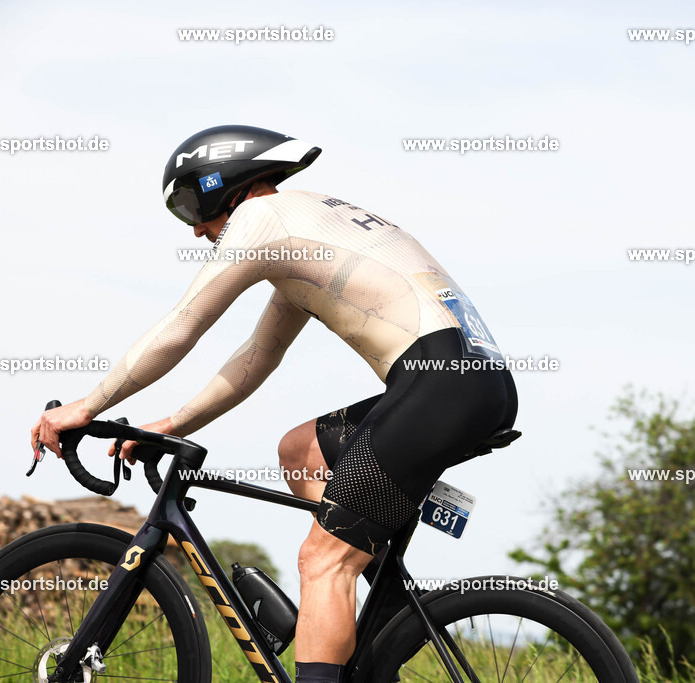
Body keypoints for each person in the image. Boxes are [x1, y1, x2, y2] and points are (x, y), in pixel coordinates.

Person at [30, 125, 518, 683]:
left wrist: (84, 407)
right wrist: (170, 422)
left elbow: (180, 327)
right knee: (301, 451)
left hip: (441, 387)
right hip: (467, 381)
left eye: (190, 204)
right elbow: (258, 355)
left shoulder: (261, 221)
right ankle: (385, 617)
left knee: (321, 560)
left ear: (224, 185)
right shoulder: (303, 226)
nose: (194, 230)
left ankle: (338, 633)